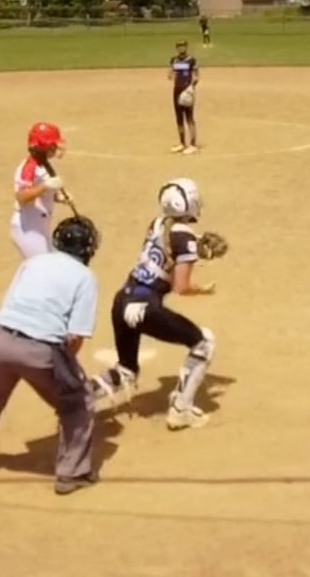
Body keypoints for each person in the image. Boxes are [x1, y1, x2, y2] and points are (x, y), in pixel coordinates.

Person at [0, 214, 103, 495]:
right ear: (87, 249)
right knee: (79, 403)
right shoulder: (85, 278)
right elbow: (76, 335)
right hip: (41, 349)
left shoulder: (33, 262)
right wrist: (67, 371)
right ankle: (72, 474)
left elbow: (10, 302)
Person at [89, 179, 218, 431]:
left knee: (127, 368)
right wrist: (203, 288)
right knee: (204, 343)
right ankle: (181, 410)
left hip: (123, 300)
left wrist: (194, 248)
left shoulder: (158, 223)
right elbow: (181, 286)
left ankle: (80, 395)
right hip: (145, 307)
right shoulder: (185, 240)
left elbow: (169, 247)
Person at [10, 123, 68, 258]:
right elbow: (21, 197)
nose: (55, 148)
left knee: (55, 263)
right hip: (28, 228)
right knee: (45, 266)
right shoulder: (29, 167)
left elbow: (42, 195)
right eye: (52, 145)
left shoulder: (45, 164)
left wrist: (58, 197)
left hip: (40, 227)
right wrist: (45, 186)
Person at [169, 40, 200, 154]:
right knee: (179, 118)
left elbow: (196, 76)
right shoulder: (174, 60)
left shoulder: (192, 60)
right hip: (177, 91)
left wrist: (191, 87)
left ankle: (193, 144)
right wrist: (171, 72)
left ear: (186, 47)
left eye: (183, 46)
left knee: (189, 118)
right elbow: (170, 74)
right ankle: (182, 143)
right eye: (179, 46)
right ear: (176, 48)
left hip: (187, 91)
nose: (181, 48)